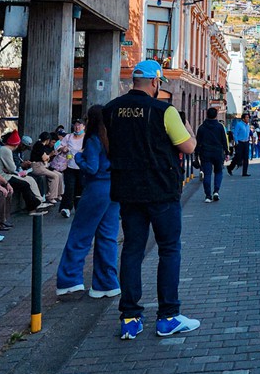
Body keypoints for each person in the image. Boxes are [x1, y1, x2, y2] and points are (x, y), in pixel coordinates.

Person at [106, 60, 201, 339]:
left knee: (132, 251)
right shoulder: (164, 110)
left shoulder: (111, 110)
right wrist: (187, 127)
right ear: (156, 83)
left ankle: (130, 318)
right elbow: (189, 146)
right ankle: (168, 316)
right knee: (169, 249)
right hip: (161, 190)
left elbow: (110, 148)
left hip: (128, 191)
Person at [57, 104, 121, 299]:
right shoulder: (115, 138)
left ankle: (70, 280)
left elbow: (91, 168)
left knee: (80, 234)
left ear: (91, 120)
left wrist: (78, 157)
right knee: (108, 237)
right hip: (114, 189)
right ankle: (106, 283)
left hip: (96, 189)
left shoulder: (94, 140)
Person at [0, 130, 50, 214]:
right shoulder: (6, 150)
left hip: (4, 174)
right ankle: (34, 206)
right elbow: (12, 168)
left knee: (28, 181)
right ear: (17, 144)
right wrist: (10, 169)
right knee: (25, 184)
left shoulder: (3, 149)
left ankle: (37, 203)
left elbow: (10, 168)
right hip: (4, 176)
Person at [195, 107, 227, 202]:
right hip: (217, 152)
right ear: (216, 115)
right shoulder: (220, 127)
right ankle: (216, 191)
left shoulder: (201, 127)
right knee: (218, 172)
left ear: (206, 115)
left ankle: (208, 196)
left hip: (205, 153)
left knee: (207, 174)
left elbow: (198, 142)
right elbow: (224, 140)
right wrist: (227, 151)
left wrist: (196, 154)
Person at [58, 120, 86, 217]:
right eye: (76, 125)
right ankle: (66, 208)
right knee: (70, 187)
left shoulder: (86, 137)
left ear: (84, 127)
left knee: (80, 188)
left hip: (82, 167)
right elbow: (58, 146)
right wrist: (63, 149)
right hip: (69, 166)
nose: (77, 127)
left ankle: (79, 208)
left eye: (79, 125)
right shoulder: (68, 137)